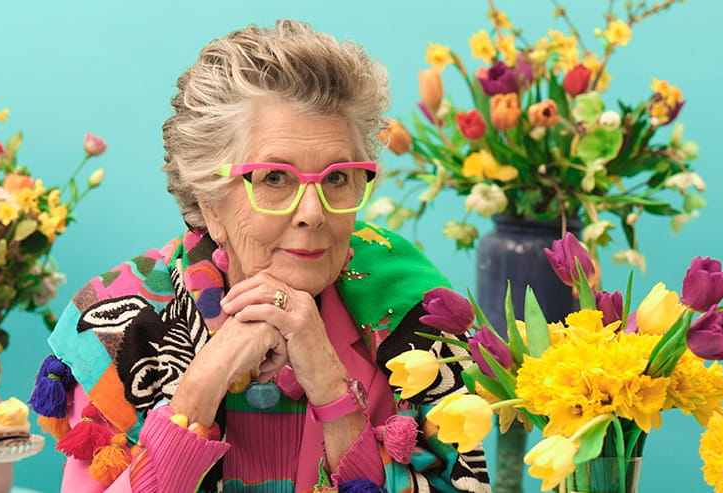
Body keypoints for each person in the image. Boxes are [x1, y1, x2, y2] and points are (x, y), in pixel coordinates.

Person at [29, 20, 490, 492]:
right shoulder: (125, 328)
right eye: (274, 178)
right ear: (210, 204)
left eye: (337, 178)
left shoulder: (418, 326)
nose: (313, 214)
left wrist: (333, 391)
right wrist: (198, 389)